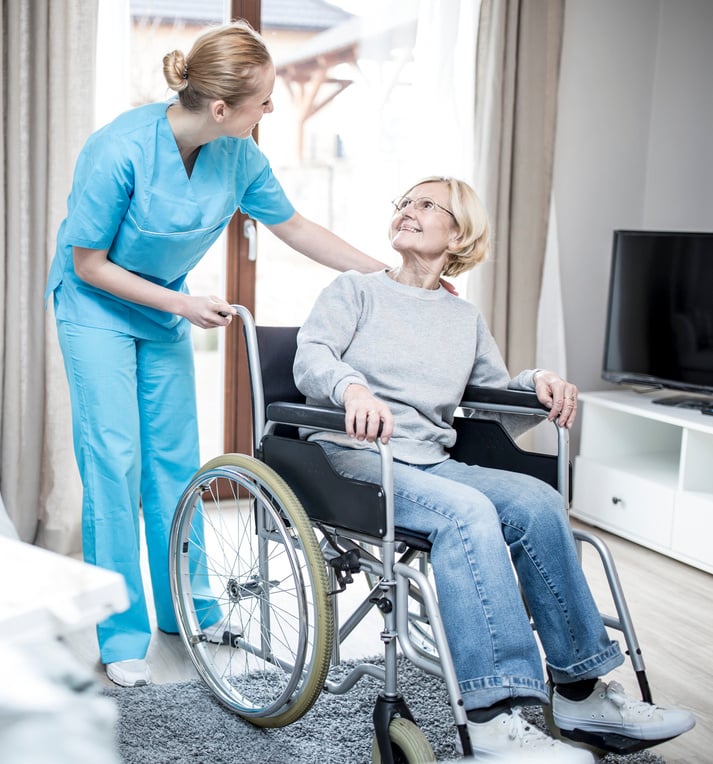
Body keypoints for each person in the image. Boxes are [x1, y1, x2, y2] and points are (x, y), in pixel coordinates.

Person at [293, 176, 696, 759]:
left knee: (538, 502)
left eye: (427, 205)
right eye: (404, 202)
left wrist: (537, 384)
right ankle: (491, 720)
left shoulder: (463, 318)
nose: (408, 210)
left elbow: (489, 399)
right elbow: (313, 357)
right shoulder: (355, 290)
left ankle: (580, 692)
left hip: (430, 461)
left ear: (459, 233)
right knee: (468, 513)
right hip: (352, 459)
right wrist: (351, 388)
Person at [46, 20, 390, 689]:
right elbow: (87, 264)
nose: (272, 110)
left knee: (176, 461)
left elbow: (294, 227)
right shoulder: (116, 149)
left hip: (162, 308)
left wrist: (383, 277)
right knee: (113, 462)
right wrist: (180, 304)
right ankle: (121, 632)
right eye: (264, 100)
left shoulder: (240, 157)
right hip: (94, 309)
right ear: (222, 107)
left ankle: (189, 606)